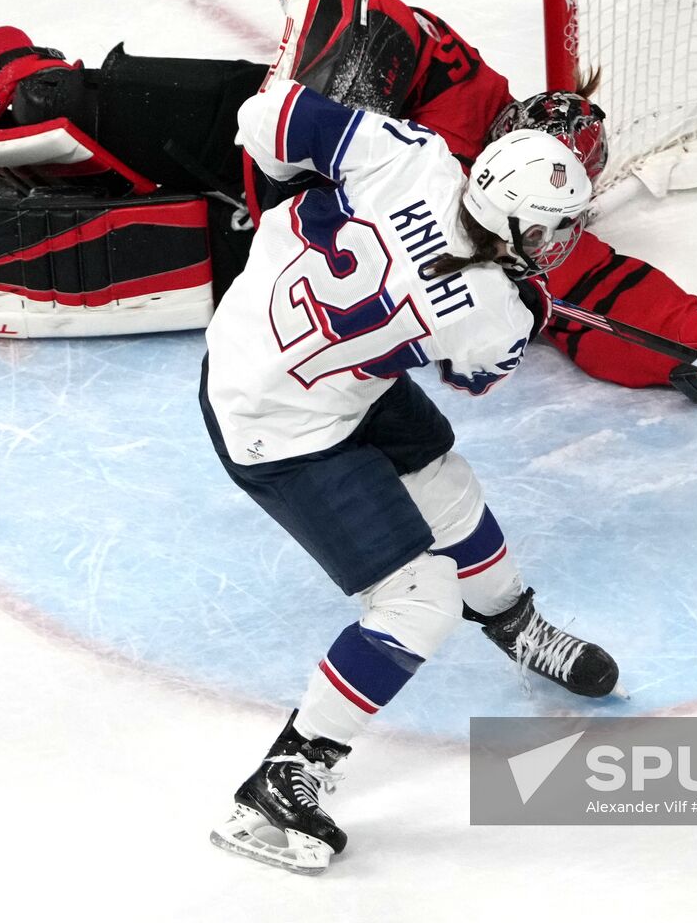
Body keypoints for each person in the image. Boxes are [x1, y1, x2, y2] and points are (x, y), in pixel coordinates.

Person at [0, 0, 697, 413]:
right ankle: (12, 88)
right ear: (518, 126)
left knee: (95, 250)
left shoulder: (540, 244)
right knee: (33, 102)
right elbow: (351, 7)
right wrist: (339, 81)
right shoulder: (466, 87)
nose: (545, 223)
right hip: (255, 131)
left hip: (264, 250)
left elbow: (619, 309)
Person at [201, 77, 617, 873]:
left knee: (442, 477)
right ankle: (285, 778)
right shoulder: (498, 314)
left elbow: (266, 115)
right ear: (524, 225)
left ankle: (512, 625)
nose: (565, 239)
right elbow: (475, 373)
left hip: (284, 356)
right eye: (557, 229)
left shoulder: (413, 157)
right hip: (276, 426)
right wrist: (520, 297)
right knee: (417, 599)